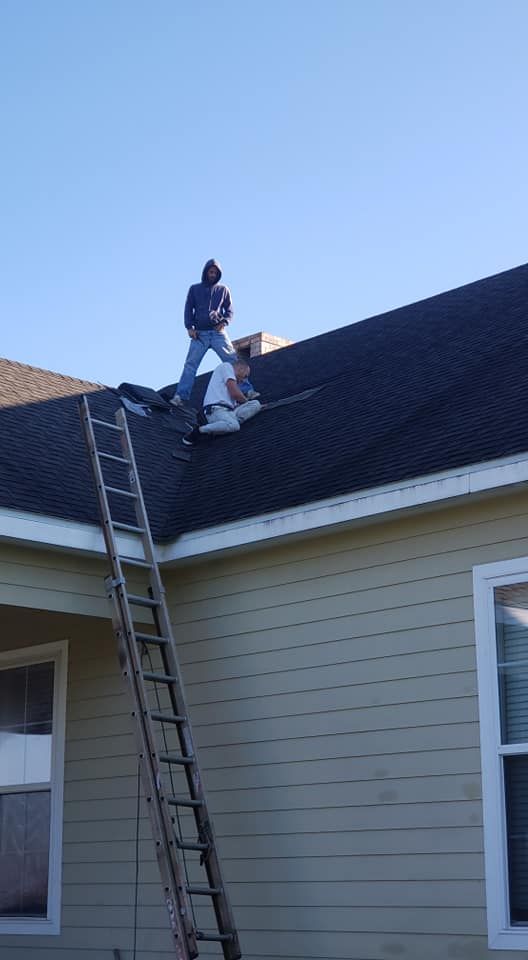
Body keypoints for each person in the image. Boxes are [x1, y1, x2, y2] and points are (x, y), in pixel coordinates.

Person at [170, 259, 237, 406]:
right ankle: (181, 396)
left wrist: (224, 322)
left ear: (218, 274)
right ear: (206, 272)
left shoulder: (223, 290)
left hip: (217, 332)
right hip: (199, 334)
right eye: (210, 271)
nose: (212, 274)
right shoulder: (194, 289)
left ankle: (246, 390)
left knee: (232, 360)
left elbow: (230, 310)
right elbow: (188, 308)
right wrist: (189, 327)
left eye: (215, 272)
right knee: (190, 365)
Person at [182, 359, 261, 444]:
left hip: (229, 412)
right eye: (245, 376)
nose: (243, 380)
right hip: (215, 410)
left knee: (256, 404)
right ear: (240, 369)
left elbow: (237, 400)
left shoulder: (229, 385)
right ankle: (200, 430)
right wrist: (246, 402)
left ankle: (220, 427)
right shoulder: (226, 366)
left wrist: (249, 405)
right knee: (235, 426)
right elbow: (235, 393)